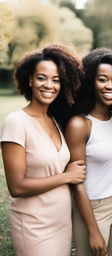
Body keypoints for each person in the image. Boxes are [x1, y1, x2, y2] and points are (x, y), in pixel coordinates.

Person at [0, 44, 86, 256]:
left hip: (61, 224)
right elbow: (17, 187)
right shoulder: (16, 122)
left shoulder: (54, 121)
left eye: (56, 80)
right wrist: (66, 177)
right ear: (29, 80)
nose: (49, 85)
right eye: (42, 78)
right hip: (33, 226)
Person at [65, 48, 112, 256]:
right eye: (102, 79)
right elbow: (77, 182)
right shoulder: (80, 124)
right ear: (90, 83)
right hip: (93, 207)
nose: (110, 86)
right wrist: (93, 230)